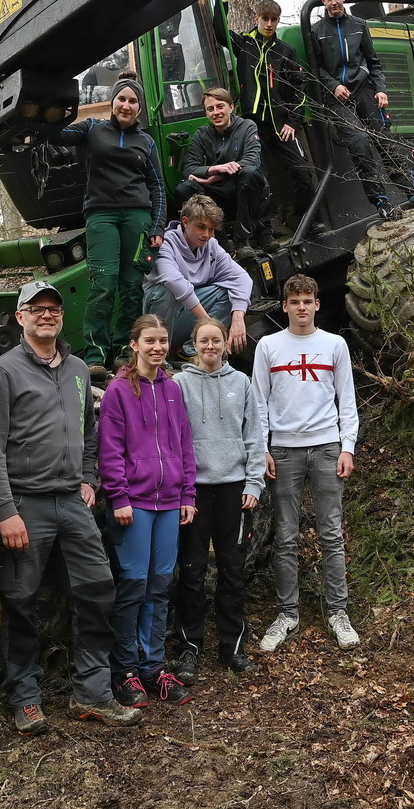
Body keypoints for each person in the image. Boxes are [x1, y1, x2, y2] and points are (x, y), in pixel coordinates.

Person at [0, 280, 143, 735]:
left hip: (72, 501)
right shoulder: (0, 373)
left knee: (98, 589)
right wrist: (5, 511)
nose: (47, 315)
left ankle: (91, 691)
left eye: (53, 308)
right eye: (36, 308)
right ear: (20, 318)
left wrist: (89, 479)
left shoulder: (77, 369)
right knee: (21, 599)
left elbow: (89, 434)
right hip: (25, 504)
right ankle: (25, 696)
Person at [252, 274, 362, 653]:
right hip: (283, 451)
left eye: (307, 300)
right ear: (284, 306)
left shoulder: (334, 345)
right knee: (285, 536)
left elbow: (347, 399)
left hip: (327, 447)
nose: (301, 307)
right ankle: (287, 613)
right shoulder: (268, 346)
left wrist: (347, 446)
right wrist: (262, 448)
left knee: (331, 533)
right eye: (294, 301)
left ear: (317, 304)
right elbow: (258, 403)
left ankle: (338, 612)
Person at [98, 314, 198, 707]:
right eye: (149, 341)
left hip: (170, 502)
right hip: (134, 504)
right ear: (134, 344)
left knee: (160, 585)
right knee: (134, 585)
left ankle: (154, 668)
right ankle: (125, 669)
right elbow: (110, 450)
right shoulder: (119, 391)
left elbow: (185, 444)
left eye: (162, 341)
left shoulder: (173, 389)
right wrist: (118, 497)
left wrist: (188, 494)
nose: (157, 348)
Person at [50, 70, 166, 379]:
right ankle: (95, 355)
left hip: (137, 217)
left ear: (139, 106)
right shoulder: (92, 129)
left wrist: (157, 227)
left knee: (131, 286)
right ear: (112, 101)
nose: (126, 105)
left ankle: (124, 352)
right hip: (101, 215)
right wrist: (50, 107)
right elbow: (57, 135)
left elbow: (157, 187)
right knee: (103, 282)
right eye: (121, 99)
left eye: (132, 101)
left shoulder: (147, 142)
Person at [169, 317, 264, 681]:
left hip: (234, 490)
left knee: (232, 570)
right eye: (203, 341)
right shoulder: (180, 384)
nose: (210, 346)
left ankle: (232, 648)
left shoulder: (241, 382)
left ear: (226, 344)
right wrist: (180, 489)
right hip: (193, 491)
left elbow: (254, 435)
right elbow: (174, 440)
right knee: (191, 571)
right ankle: (189, 649)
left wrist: (253, 484)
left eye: (216, 340)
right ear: (193, 345)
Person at [311, 0, 414, 218]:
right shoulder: (317, 31)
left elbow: (374, 62)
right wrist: (333, 86)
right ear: (323, 1)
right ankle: (381, 203)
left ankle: (412, 191)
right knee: (359, 142)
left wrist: (381, 89)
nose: (333, 2)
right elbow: (316, 69)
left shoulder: (359, 25)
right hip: (337, 97)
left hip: (363, 90)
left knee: (384, 139)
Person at [234, 0, 316, 226]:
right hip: (254, 125)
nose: (269, 24)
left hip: (281, 124)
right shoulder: (244, 44)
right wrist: (220, 0)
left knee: (303, 172)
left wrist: (292, 121)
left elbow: (300, 88)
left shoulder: (286, 51)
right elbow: (220, 31)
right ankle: (265, 231)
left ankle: (301, 220)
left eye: (274, 20)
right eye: (265, 19)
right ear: (256, 19)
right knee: (258, 177)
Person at [143, 194, 254, 357]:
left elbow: (242, 279)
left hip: (186, 316)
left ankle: (193, 347)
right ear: (185, 222)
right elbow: (176, 283)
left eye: (211, 229)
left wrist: (238, 317)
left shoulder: (211, 246)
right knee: (165, 292)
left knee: (230, 293)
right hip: (158, 318)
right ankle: (159, 354)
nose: (207, 234)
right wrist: (209, 324)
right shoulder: (165, 243)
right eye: (201, 227)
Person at [172, 87, 273, 253]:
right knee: (185, 188)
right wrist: (216, 168)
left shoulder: (247, 126)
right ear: (206, 113)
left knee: (251, 173)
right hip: (220, 197)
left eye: (220, 106)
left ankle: (242, 240)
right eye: (210, 109)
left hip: (246, 192)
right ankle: (219, 240)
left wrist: (216, 177)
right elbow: (190, 168)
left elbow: (252, 160)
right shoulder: (202, 134)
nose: (216, 112)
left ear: (231, 107)